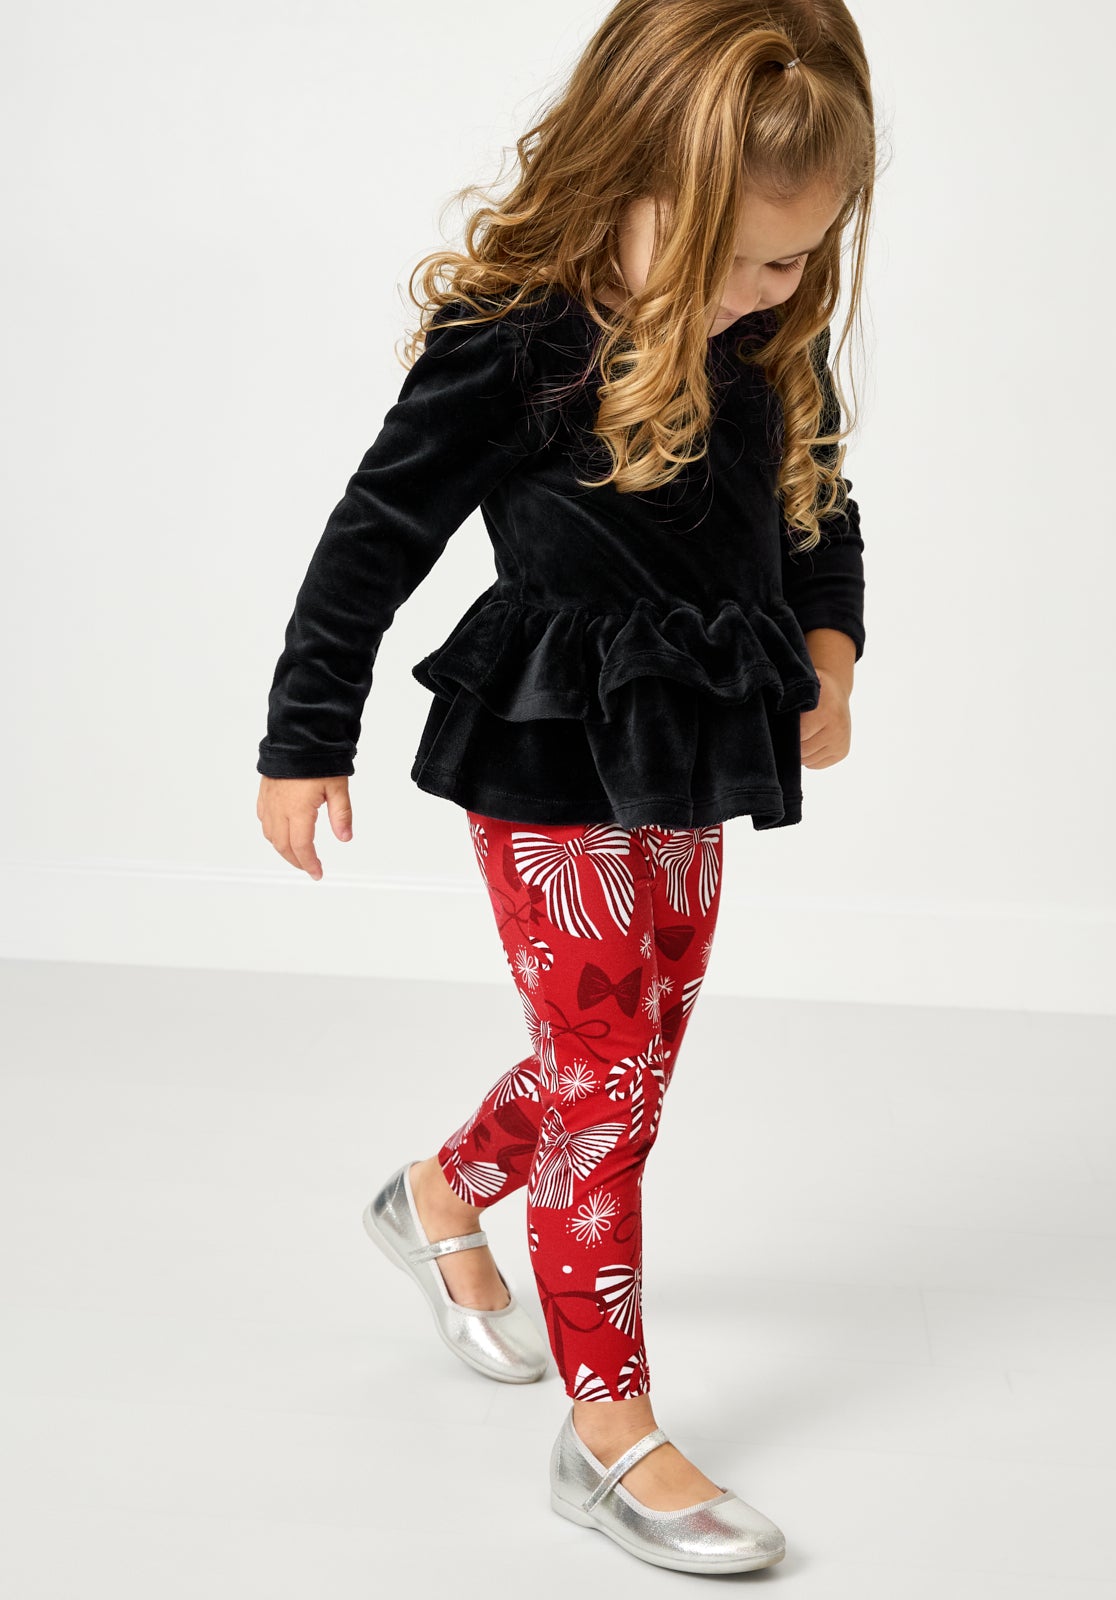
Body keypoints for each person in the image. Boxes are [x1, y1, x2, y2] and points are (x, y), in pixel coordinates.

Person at [255, 0, 875, 1574]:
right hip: (548, 744)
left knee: (631, 1063)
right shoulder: (516, 341)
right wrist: (305, 736)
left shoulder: (765, 334)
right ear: (629, 173)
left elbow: (816, 495)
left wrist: (830, 648)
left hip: (696, 739)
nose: (761, 294)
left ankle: (436, 1193)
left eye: (793, 262)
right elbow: (371, 539)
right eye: (736, 256)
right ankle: (610, 1432)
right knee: (603, 1091)